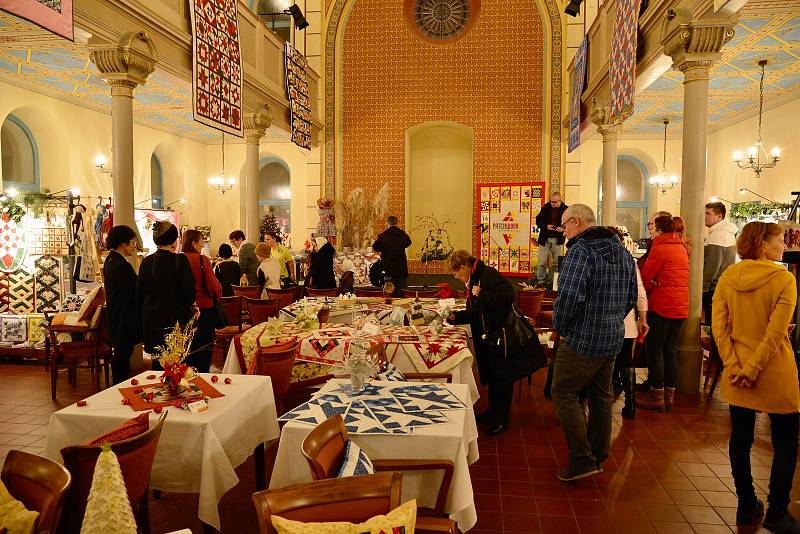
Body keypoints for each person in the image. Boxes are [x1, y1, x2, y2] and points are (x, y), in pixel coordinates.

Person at [712, 222, 799, 533]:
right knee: (786, 442)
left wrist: (735, 367)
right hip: (773, 370)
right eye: (779, 241)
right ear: (763, 245)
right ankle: (777, 510)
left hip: (738, 372)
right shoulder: (783, 279)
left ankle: (746, 502)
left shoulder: (728, 277)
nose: (784, 247)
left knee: (740, 439)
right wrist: (753, 368)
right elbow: (776, 332)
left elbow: (719, 327)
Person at [551, 204, 637, 482]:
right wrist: (612, 321)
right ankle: (598, 455)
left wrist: (561, 328)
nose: (563, 233)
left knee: (563, 393)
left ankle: (581, 460)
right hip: (613, 337)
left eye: (564, 227)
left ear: (576, 222)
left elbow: (567, 298)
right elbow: (631, 296)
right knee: (601, 397)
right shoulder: (622, 252)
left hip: (582, 339)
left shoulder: (580, 252)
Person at [449, 250, 538, 435]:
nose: (455, 276)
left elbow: (508, 296)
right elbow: (476, 311)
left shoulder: (487, 275)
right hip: (490, 336)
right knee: (495, 377)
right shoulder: (474, 277)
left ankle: (501, 419)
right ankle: (493, 411)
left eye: (456, 272)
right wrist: (454, 317)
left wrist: (482, 294)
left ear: (464, 267)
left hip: (501, 335)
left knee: (503, 378)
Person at [637, 215, 689, 412]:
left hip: (662, 305)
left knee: (655, 349)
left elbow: (645, 278)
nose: (650, 229)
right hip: (680, 305)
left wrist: (654, 287)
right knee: (670, 350)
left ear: (659, 230)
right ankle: (669, 395)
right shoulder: (681, 247)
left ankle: (656, 395)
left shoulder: (660, 247)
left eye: (652, 227)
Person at [137, 221, 196, 370]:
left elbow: (140, 292)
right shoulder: (180, 260)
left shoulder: (146, 261)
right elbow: (189, 293)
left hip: (152, 320)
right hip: (175, 321)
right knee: (176, 363)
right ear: (174, 240)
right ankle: (174, 391)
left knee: (158, 363)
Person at [607, 227, 649, 419]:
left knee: (604, 362)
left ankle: (604, 399)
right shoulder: (629, 262)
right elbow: (640, 291)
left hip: (606, 322)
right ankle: (630, 403)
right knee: (626, 361)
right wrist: (643, 318)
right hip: (627, 322)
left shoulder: (599, 261)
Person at [103, 225, 141, 384]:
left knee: (122, 354)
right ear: (122, 243)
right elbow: (132, 292)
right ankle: (119, 387)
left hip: (117, 315)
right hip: (123, 318)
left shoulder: (111, 260)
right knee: (122, 355)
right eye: (132, 242)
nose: (134, 246)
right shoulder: (120, 264)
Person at [183, 229, 223, 373]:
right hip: (205, 309)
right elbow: (214, 286)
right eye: (201, 243)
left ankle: (187, 377)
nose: (202, 246)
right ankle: (203, 379)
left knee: (187, 347)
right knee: (204, 349)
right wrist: (218, 293)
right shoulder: (201, 260)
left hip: (185, 311)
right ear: (194, 243)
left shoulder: (178, 259)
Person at [703, 202, 737, 324]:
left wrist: (703, 287)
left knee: (715, 323)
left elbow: (713, 266)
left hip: (714, 288)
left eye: (708, 213)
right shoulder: (723, 232)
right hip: (721, 285)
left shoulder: (719, 234)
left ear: (719, 216)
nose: (704, 216)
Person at [534, 192, 568, 288]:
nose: (552, 204)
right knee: (542, 262)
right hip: (545, 238)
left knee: (556, 263)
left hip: (558, 239)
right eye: (551, 201)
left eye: (554, 202)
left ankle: (552, 282)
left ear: (560, 200)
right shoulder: (546, 207)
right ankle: (541, 281)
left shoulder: (566, 209)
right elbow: (538, 220)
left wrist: (562, 228)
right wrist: (546, 226)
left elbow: (570, 223)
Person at [372, 216, 412, 296]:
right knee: (401, 291)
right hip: (401, 267)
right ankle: (400, 306)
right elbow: (408, 243)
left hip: (387, 267)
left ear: (388, 223)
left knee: (388, 291)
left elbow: (376, 247)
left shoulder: (383, 236)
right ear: (397, 223)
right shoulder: (403, 235)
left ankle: (389, 306)